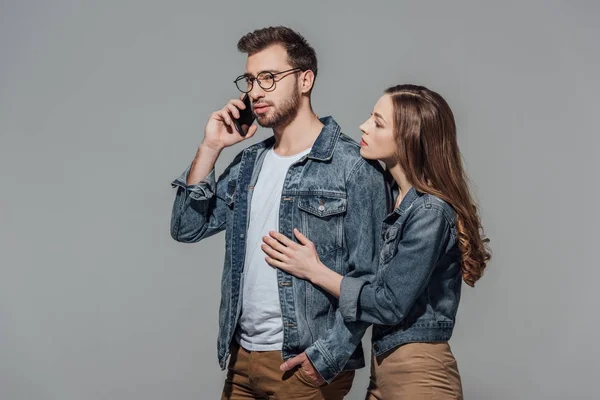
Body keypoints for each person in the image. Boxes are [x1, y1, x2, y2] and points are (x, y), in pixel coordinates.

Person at [170, 26, 388, 399]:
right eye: (251, 80)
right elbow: (186, 227)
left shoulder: (353, 167)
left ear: (305, 80)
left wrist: (327, 357)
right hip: (241, 360)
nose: (255, 91)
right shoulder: (248, 163)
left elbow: (369, 278)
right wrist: (210, 147)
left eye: (269, 78)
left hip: (303, 363)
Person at [262, 84, 491, 399]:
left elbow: (388, 304)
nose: (363, 126)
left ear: (409, 139)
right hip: (383, 369)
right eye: (371, 117)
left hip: (420, 375)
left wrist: (316, 271)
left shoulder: (429, 212)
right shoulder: (397, 200)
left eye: (378, 123)